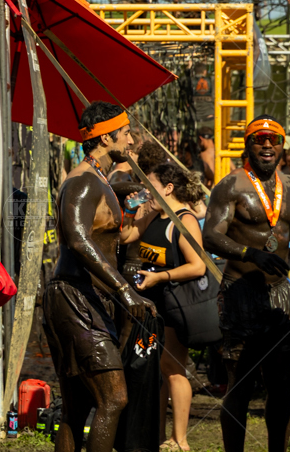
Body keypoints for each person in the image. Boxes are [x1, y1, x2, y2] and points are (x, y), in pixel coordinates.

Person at [43, 102, 154, 452]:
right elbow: (77, 239)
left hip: (86, 298)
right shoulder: (83, 182)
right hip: (75, 297)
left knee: (79, 407)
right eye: (126, 134)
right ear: (106, 137)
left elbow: (107, 237)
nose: (133, 141)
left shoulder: (99, 181)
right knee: (113, 399)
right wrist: (124, 291)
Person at [203, 115, 290, 452]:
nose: (267, 146)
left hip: (280, 296)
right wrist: (250, 254)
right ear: (248, 144)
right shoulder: (232, 186)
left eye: (274, 140)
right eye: (259, 139)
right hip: (240, 292)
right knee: (239, 384)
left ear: (282, 146)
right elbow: (210, 236)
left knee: (282, 386)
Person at [118, 162, 206, 452]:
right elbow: (126, 237)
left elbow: (198, 266)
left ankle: (180, 439)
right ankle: (155, 435)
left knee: (173, 367)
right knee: (156, 369)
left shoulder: (184, 220)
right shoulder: (153, 214)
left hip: (174, 302)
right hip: (152, 304)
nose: (145, 191)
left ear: (169, 188)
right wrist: (132, 209)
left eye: (150, 186)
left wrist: (160, 276)